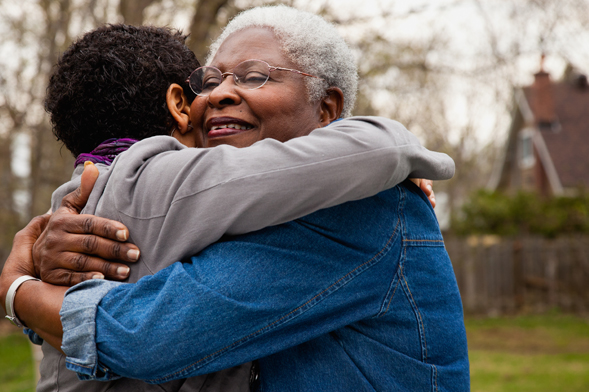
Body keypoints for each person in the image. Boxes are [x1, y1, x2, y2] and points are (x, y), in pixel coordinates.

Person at [1, 5, 469, 391]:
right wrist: (50, 248)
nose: (221, 94)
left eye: (254, 77)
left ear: (327, 109)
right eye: (210, 81)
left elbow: (147, 334)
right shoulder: (227, 208)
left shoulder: (363, 208)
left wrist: (17, 291)